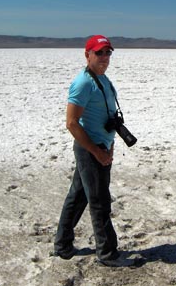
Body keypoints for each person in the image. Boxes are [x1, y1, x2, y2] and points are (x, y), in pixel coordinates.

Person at [53, 35, 132, 267]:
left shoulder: (103, 80)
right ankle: (107, 254)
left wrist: (111, 144)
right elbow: (71, 122)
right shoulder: (83, 83)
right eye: (99, 53)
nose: (104, 58)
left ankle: (62, 245)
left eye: (108, 53)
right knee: (99, 202)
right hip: (90, 149)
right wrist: (96, 152)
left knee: (77, 197)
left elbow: (108, 116)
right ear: (87, 54)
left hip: (102, 147)